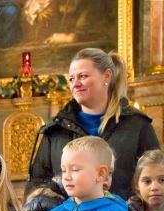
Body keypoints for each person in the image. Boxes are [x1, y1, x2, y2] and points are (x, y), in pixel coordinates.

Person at [28, 48, 159, 200]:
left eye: (83, 76)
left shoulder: (138, 126)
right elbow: (38, 186)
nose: (75, 84)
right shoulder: (56, 130)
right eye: (71, 79)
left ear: (107, 76)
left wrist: (130, 210)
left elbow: (156, 179)